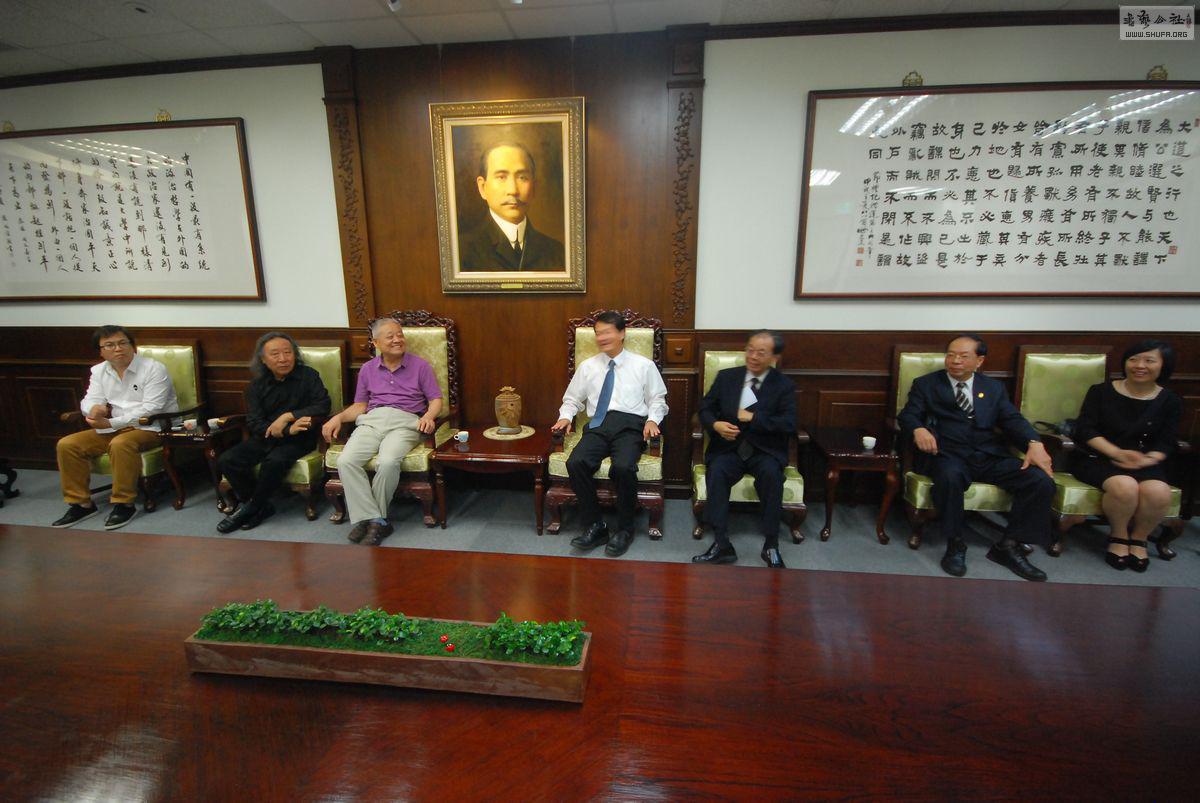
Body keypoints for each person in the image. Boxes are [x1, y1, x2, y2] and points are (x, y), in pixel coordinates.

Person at [897, 334, 1055, 581]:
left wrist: (1034, 443)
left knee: (1039, 480)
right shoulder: (927, 384)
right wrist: (918, 429)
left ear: (979, 361)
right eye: (951, 355)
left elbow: (1012, 419)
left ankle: (1009, 545)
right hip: (947, 454)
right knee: (949, 477)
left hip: (988, 454)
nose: (955, 361)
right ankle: (955, 543)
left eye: (963, 356)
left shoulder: (993, 388)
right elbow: (908, 415)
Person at [552, 311, 668, 557]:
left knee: (624, 467)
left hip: (630, 425)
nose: (601, 338)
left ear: (622, 333)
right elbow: (572, 399)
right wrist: (565, 416)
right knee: (576, 462)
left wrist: (652, 420)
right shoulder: (588, 366)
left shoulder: (643, 366)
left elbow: (657, 399)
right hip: (598, 424)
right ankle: (596, 526)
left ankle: (625, 529)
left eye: (607, 332)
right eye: (598, 333)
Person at [322, 318, 442, 546]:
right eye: (390, 336)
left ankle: (372, 521)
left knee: (387, 462)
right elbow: (360, 406)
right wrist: (338, 417)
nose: (397, 339)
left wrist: (428, 416)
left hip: (405, 422)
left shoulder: (420, 366)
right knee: (346, 461)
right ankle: (375, 519)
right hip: (372, 421)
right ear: (376, 343)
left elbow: (435, 399)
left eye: (400, 335)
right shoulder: (367, 369)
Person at [52, 325, 179, 530]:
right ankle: (81, 504)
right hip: (113, 427)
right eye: (110, 345)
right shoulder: (99, 371)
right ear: (101, 351)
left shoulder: (153, 368)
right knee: (68, 444)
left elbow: (151, 409)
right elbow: (89, 400)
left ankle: (124, 504)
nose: (118, 348)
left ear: (132, 346)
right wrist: (93, 410)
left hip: (151, 427)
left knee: (121, 444)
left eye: (122, 343)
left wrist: (111, 423)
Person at [1070, 339, 1181, 573]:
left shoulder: (1170, 400)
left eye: (1149, 361)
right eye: (1134, 359)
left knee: (1158, 492)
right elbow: (1085, 430)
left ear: (1163, 366)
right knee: (1124, 486)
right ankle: (1119, 536)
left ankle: (1139, 538)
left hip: (1144, 462)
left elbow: (1167, 440)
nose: (1140, 365)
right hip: (1099, 458)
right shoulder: (1101, 392)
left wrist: (1148, 459)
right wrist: (1117, 453)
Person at [692, 330, 797, 568]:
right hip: (729, 448)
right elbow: (705, 409)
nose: (753, 356)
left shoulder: (784, 386)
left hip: (764, 450)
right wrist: (715, 425)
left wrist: (754, 418)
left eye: (761, 352)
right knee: (717, 471)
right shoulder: (727, 377)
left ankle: (771, 545)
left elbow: (789, 424)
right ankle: (721, 544)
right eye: (750, 350)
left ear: (774, 357)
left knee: (772, 476)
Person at [215, 333, 331, 533]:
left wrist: (288, 417)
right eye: (275, 354)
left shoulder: (308, 376)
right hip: (265, 438)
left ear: (295, 354)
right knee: (227, 460)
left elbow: (323, 405)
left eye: (288, 352)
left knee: (275, 461)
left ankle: (250, 509)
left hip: (300, 438)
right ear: (263, 359)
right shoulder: (256, 386)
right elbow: (254, 422)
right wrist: (284, 430)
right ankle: (259, 506)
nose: (283, 359)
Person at [459, 142, 566, 271]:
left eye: (522, 177)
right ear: (483, 187)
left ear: (534, 187)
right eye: (501, 177)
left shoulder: (556, 251)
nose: (513, 190)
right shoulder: (462, 251)